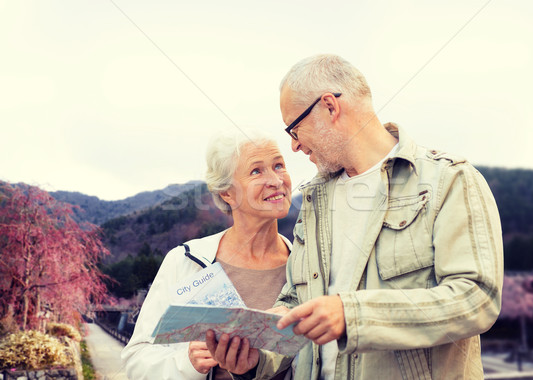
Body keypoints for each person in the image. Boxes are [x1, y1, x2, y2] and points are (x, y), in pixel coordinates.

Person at [206, 54, 504, 380]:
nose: (293, 146)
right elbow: (296, 302)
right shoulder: (314, 200)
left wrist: (353, 315)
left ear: (330, 107)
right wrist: (256, 359)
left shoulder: (448, 180)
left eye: (294, 128)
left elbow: (477, 297)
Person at [121, 129, 294, 380]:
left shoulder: (306, 266)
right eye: (256, 171)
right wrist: (187, 363)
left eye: (278, 165)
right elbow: (136, 360)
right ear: (226, 193)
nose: (276, 180)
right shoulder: (185, 262)